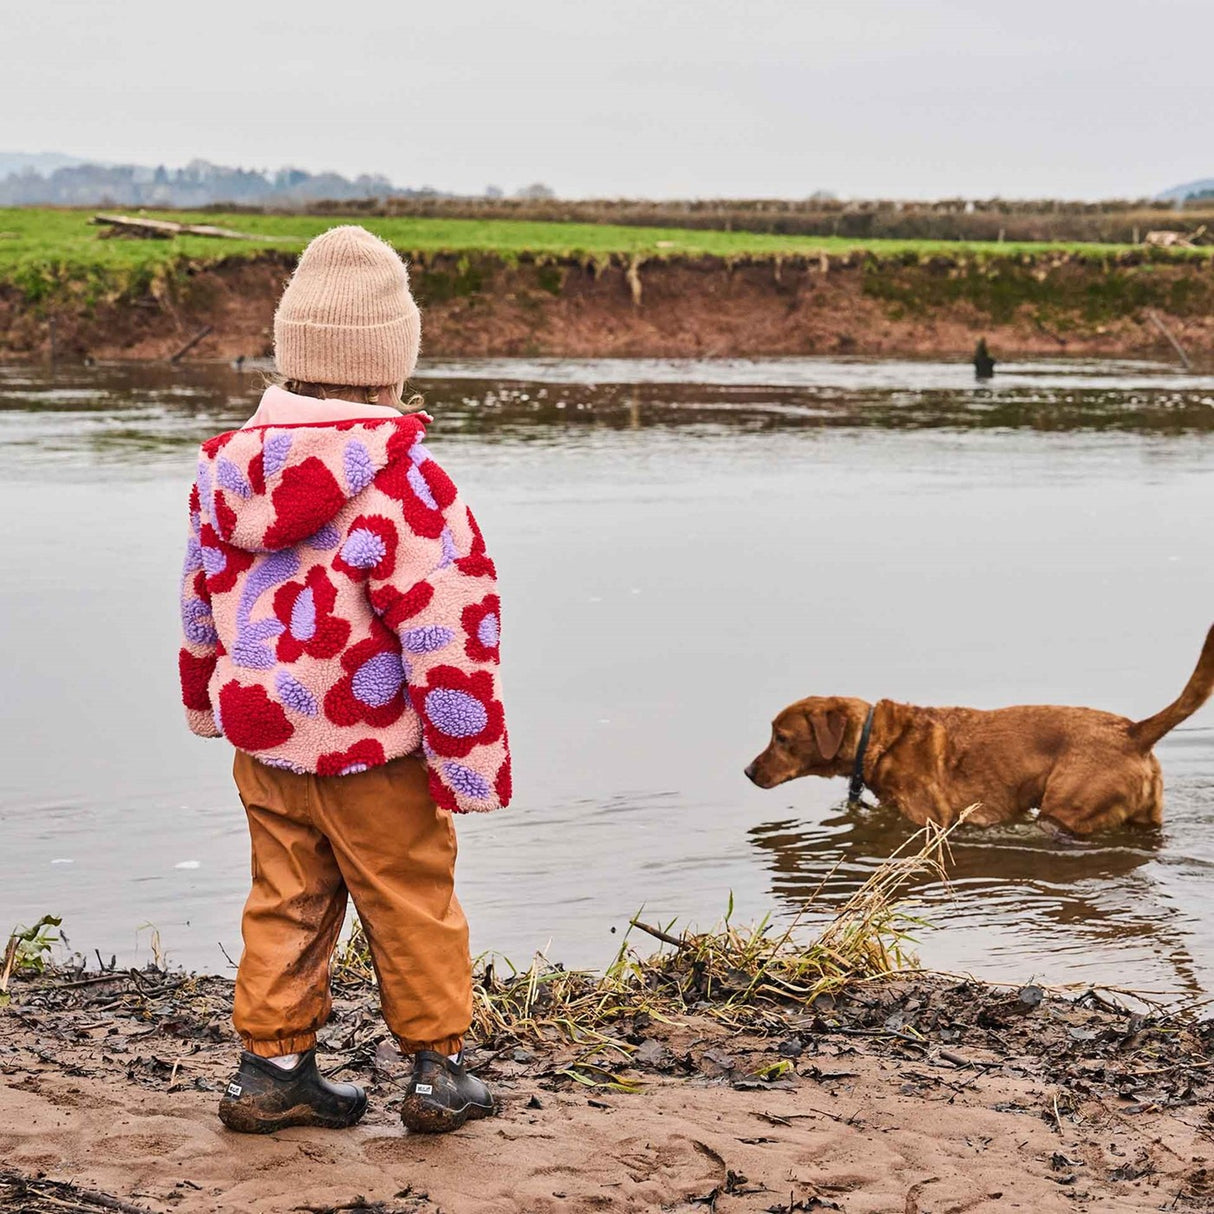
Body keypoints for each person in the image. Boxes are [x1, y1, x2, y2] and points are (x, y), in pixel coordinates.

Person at [176, 225, 511, 1135]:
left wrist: (202, 696)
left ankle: (272, 1069)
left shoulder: (226, 471)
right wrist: (470, 761)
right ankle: (438, 1073)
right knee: (409, 896)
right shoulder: (411, 485)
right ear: (388, 366)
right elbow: (451, 628)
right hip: (376, 751)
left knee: (284, 895)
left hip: (266, 736)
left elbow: (201, 596)